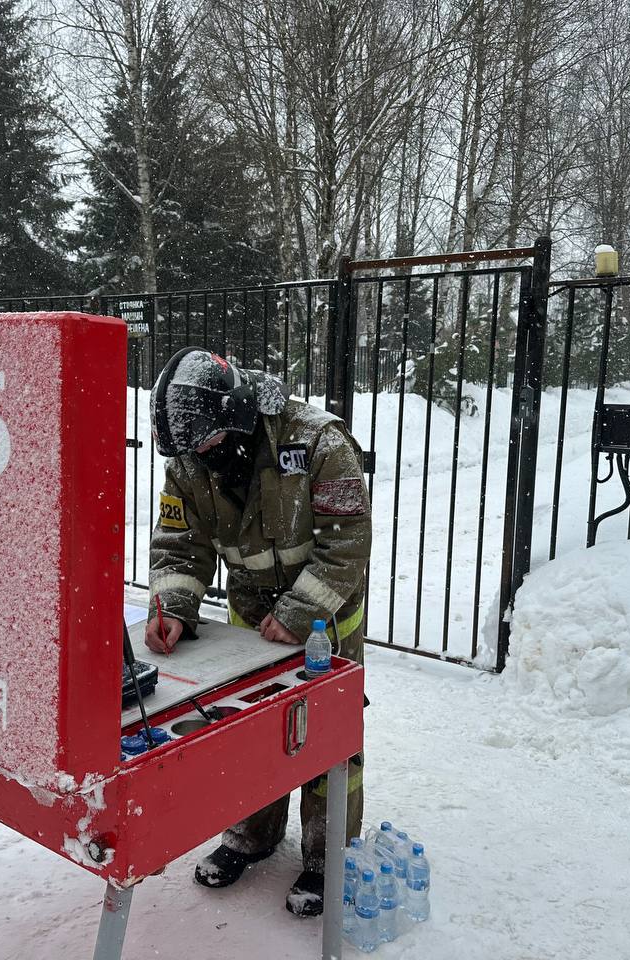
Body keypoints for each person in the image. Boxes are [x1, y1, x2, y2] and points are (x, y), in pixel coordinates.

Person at [146, 347, 370, 918]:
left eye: (211, 445)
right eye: (192, 452)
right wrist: (174, 607)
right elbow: (180, 544)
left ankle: (328, 856)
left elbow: (347, 542)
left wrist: (298, 613)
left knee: (327, 741)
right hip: (251, 626)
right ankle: (249, 836)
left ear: (238, 414)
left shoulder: (319, 442)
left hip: (326, 624)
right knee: (250, 734)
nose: (204, 458)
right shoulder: (190, 459)